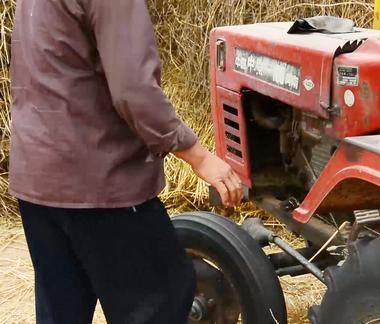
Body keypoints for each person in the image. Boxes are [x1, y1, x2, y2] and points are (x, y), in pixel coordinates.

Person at [8, 0, 243, 323]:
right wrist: (198, 156)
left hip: (38, 175)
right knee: (162, 299)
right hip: (99, 184)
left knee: (62, 309)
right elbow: (134, 91)